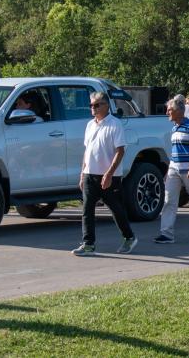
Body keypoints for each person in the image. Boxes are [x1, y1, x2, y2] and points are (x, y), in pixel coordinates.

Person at [72, 92, 137, 256]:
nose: (93, 108)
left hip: (109, 177)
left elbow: (120, 151)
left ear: (106, 105)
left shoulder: (115, 124)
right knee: (87, 209)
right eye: (91, 105)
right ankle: (88, 244)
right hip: (89, 174)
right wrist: (82, 174)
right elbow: (87, 151)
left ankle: (129, 237)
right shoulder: (90, 125)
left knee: (116, 209)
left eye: (96, 105)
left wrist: (109, 174)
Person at [154, 95, 189, 244]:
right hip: (174, 169)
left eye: (170, 110)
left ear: (179, 111)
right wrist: (168, 171)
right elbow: (174, 151)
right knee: (169, 201)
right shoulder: (174, 128)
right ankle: (166, 234)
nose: (167, 112)